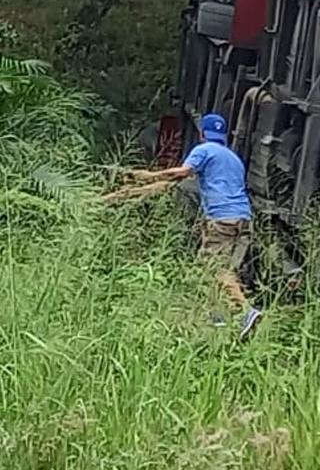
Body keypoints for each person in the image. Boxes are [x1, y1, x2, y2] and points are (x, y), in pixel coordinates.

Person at [104, 113, 263, 340]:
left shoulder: (204, 150)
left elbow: (181, 173)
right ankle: (217, 318)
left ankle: (248, 312)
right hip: (244, 220)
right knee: (223, 271)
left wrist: (148, 175)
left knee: (213, 268)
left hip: (222, 219)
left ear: (202, 133)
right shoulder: (233, 158)